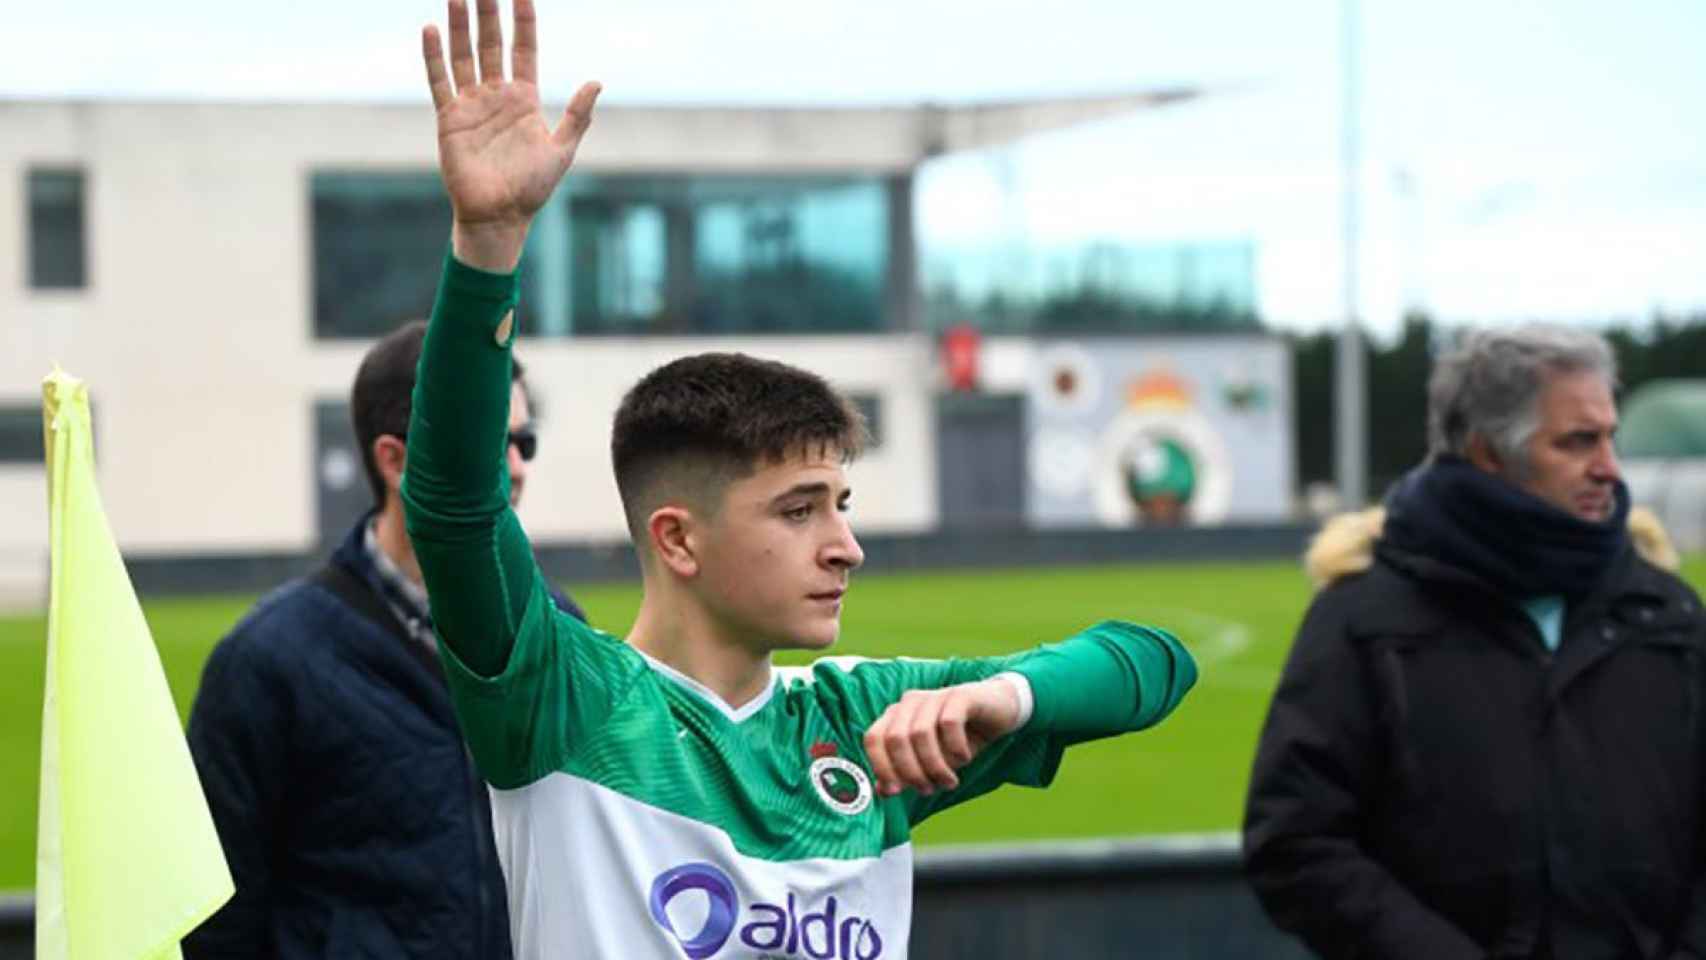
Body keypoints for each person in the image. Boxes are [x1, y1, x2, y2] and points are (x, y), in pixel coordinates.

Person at [401, 1, 1198, 956]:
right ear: (677, 537)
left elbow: (1152, 664)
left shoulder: (864, 722)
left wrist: (1005, 700)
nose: (845, 546)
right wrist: (488, 246)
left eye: (842, 505)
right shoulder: (565, 703)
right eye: (797, 510)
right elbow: (454, 505)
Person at [1244, 324, 1706, 959]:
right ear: (1489, 453)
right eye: (1577, 443)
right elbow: (1295, 843)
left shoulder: (1666, 614)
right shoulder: (1365, 619)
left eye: (1609, 438)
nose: (1609, 468)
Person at [185, 320, 586, 958]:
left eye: (525, 442)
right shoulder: (267, 660)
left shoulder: (560, 631)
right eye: (489, 440)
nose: (515, 468)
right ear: (394, 460)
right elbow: (216, 920)